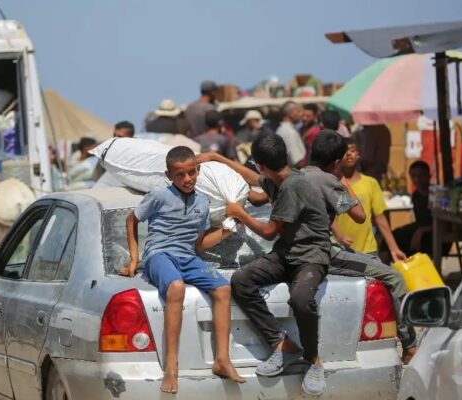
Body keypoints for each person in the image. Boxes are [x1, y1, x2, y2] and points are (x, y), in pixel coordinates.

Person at [198, 133, 330, 396]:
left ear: (260, 164)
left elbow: (269, 232)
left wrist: (239, 214)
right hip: (286, 254)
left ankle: (313, 360)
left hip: (310, 255)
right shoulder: (278, 177)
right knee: (241, 281)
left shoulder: (292, 187)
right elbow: (254, 186)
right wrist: (216, 159)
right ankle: (281, 344)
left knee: (301, 298)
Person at [118, 146, 244, 393]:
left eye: (191, 173)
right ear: (169, 175)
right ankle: (171, 368)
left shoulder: (202, 203)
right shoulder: (159, 195)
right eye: (180, 175)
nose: (187, 179)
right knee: (176, 287)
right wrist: (134, 259)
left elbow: (199, 245)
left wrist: (225, 232)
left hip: (187, 257)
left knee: (222, 289)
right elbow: (132, 219)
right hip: (159, 255)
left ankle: (222, 360)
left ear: (198, 171)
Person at [307, 131, 417, 364]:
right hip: (327, 252)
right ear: (336, 162)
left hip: (323, 251)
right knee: (394, 278)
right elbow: (359, 215)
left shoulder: (297, 177)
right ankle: (409, 344)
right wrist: (345, 185)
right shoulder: (330, 183)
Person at [333, 138, 407, 262]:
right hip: (340, 250)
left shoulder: (370, 183)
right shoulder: (333, 184)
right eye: (345, 151)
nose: (349, 154)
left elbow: (380, 218)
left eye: (352, 150)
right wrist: (339, 236)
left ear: (358, 155)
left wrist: (394, 249)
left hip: (368, 250)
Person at [381, 161, 436, 260]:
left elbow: (441, 223)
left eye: (420, 176)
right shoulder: (416, 196)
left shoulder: (436, 195)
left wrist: (421, 231)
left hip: (434, 233)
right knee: (391, 237)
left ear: (429, 176)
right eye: (414, 176)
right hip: (419, 229)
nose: (417, 180)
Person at [276, 102, 306, 168]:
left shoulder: (281, 129)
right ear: (291, 114)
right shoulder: (290, 132)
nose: (301, 114)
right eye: (298, 111)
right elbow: (297, 160)